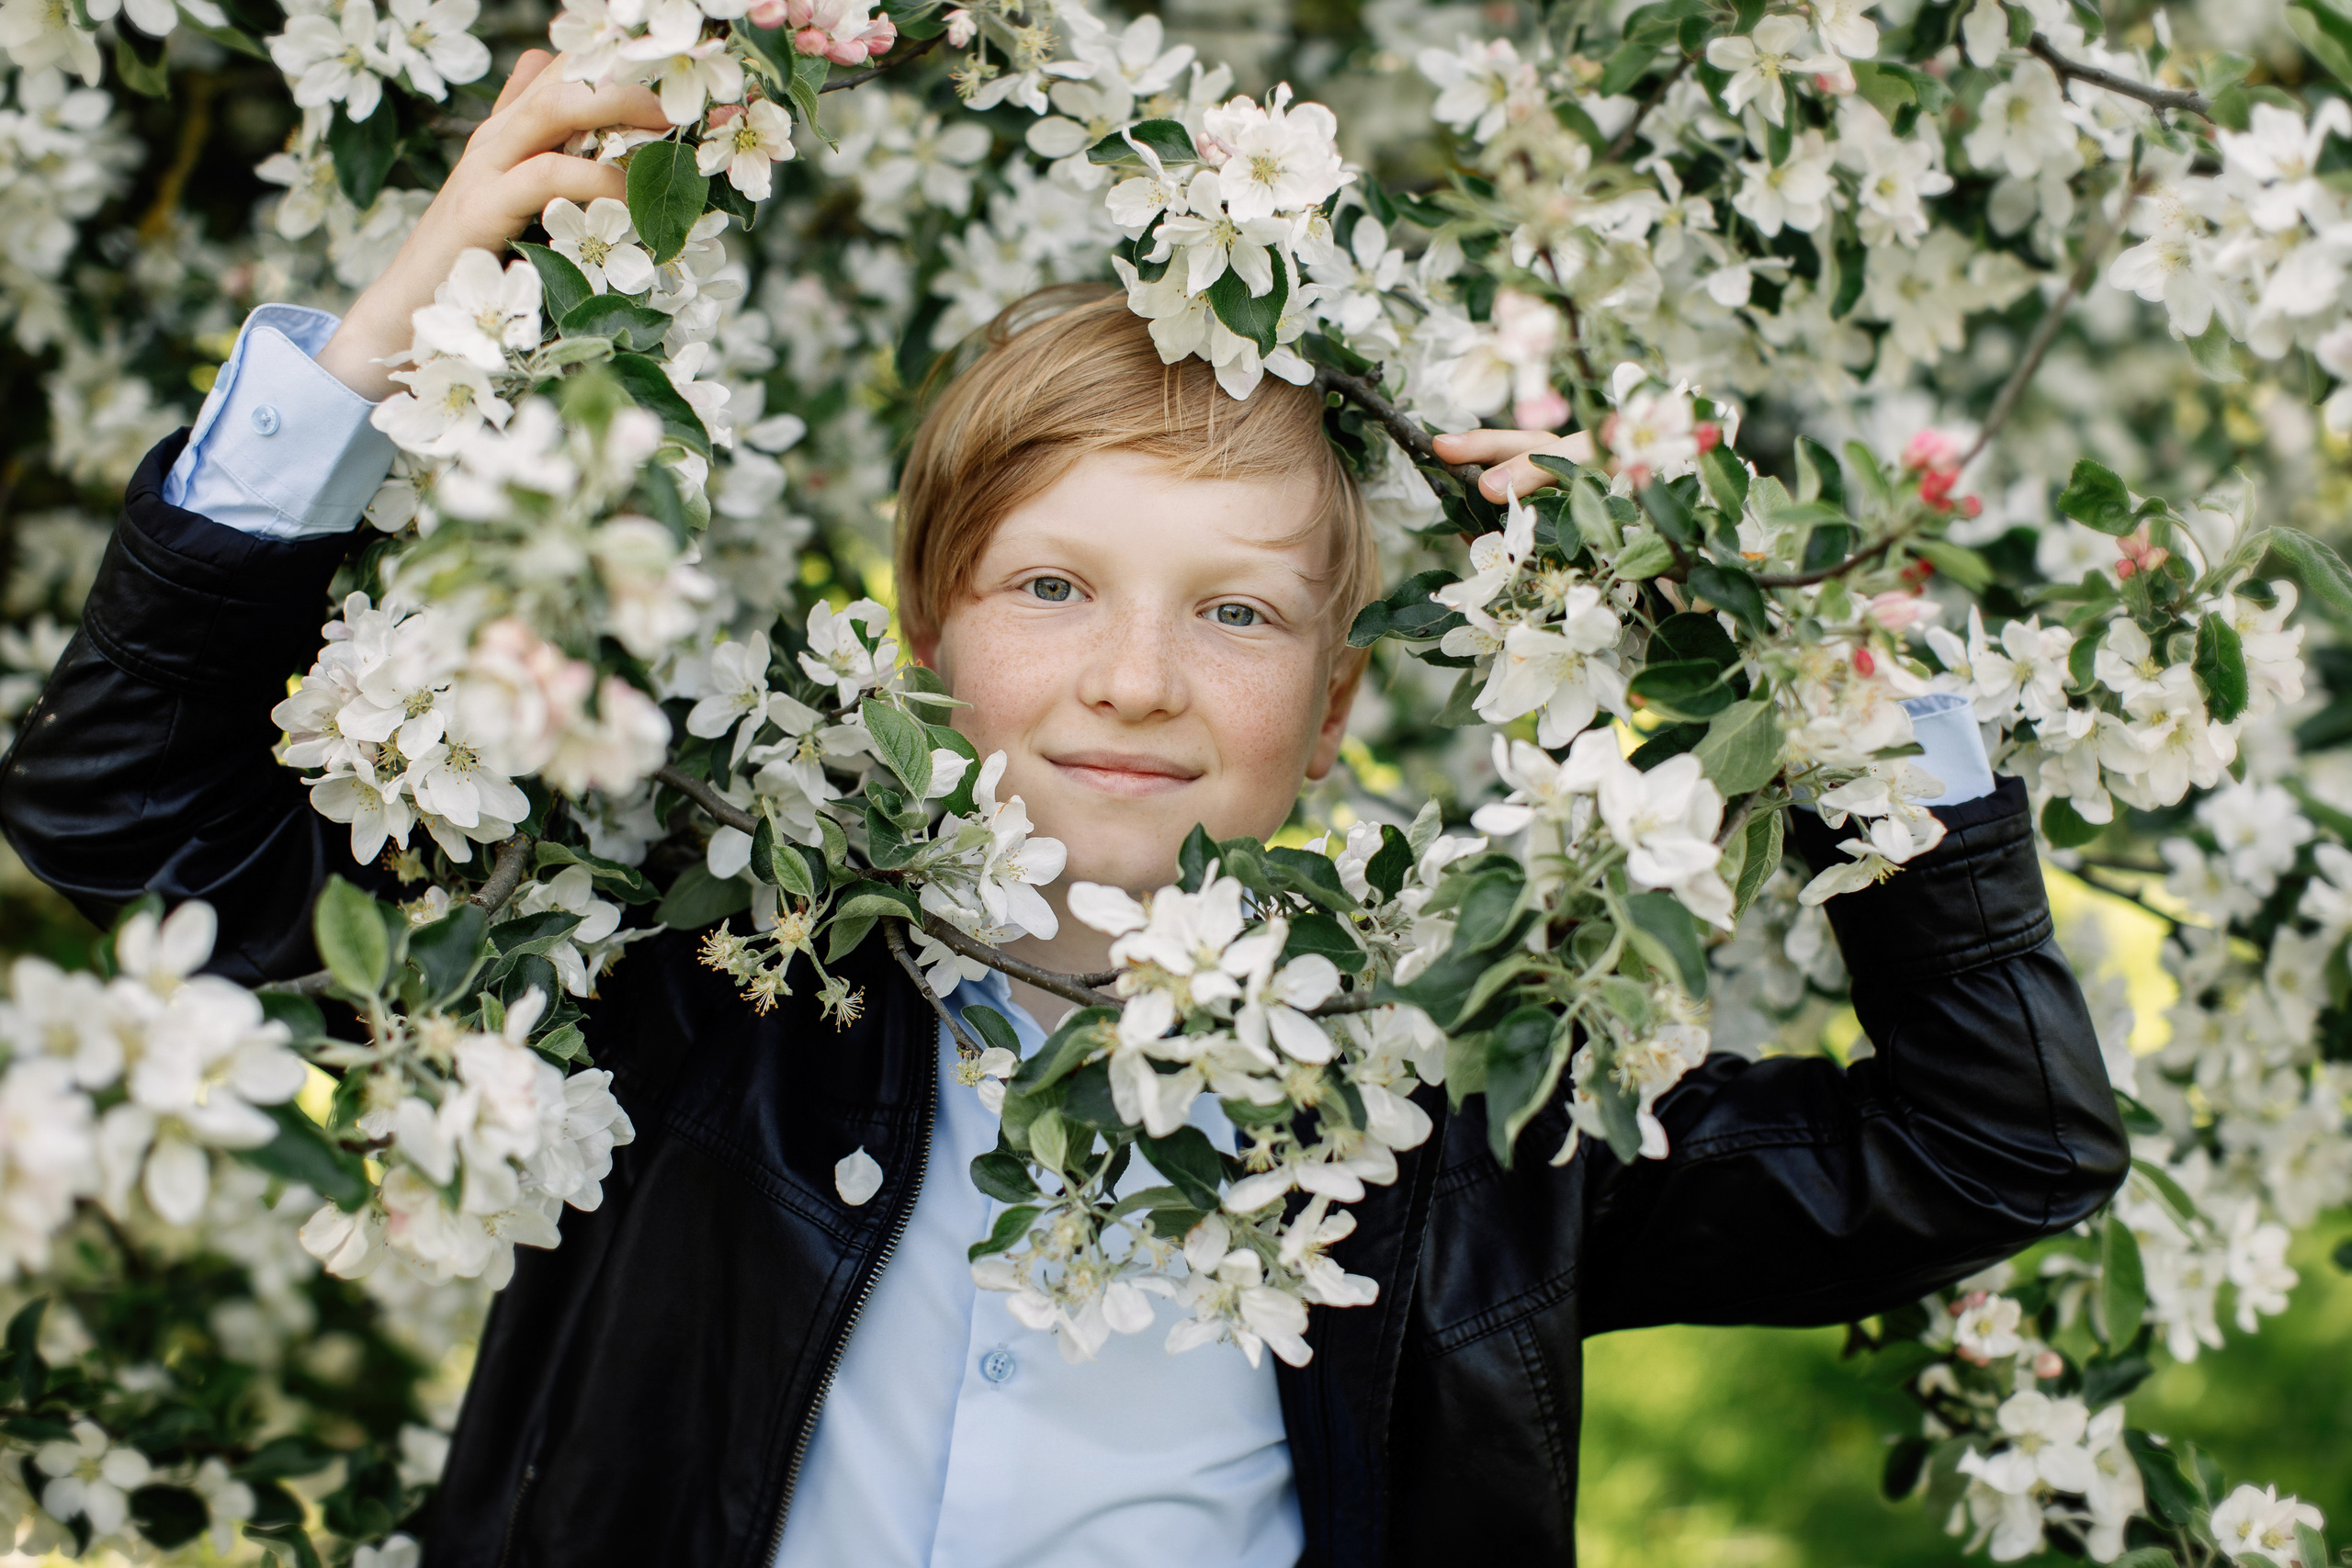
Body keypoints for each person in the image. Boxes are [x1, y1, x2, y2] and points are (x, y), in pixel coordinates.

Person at [0, 48, 2129, 1568]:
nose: (1131, 676)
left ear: (1332, 697)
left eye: (1233, 610)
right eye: (1051, 586)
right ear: (926, 631)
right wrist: (386, 336)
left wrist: (1817, 687)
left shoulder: (1465, 1109)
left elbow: (1995, 1142)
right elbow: (122, 815)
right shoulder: (694, 971)